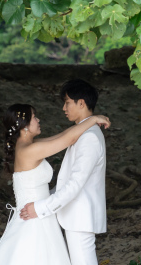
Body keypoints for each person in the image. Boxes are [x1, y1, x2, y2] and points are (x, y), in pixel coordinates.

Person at [0, 102, 110, 265]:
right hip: (35, 219)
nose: (38, 120)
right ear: (24, 126)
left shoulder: (29, 146)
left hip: (40, 214)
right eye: (34, 117)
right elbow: (69, 138)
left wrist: (90, 120)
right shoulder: (29, 151)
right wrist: (93, 119)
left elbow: (64, 135)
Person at [20, 80, 106, 265]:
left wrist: (41, 208)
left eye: (67, 102)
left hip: (80, 217)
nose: (63, 108)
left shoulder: (89, 137)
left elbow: (74, 185)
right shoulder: (83, 132)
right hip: (74, 215)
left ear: (81, 103)